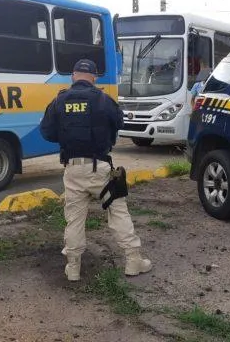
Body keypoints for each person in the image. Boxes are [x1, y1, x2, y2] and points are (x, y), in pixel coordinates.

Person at [39, 59, 152, 281]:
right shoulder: (103, 99)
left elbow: (47, 132)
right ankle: (133, 260)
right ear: (94, 77)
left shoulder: (59, 101)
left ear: (73, 75)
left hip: (72, 169)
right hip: (100, 168)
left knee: (74, 219)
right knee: (118, 211)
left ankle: (73, 268)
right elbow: (119, 122)